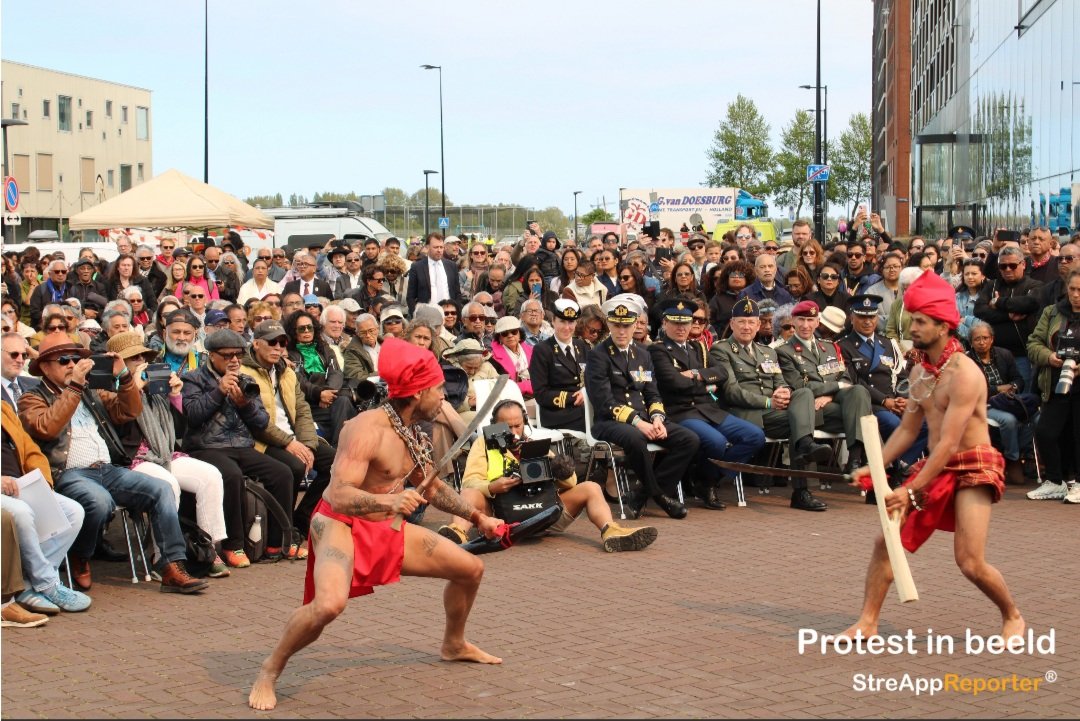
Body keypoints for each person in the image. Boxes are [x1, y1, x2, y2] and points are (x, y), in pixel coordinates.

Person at [247, 338, 506, 711]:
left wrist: (478, 517)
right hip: (340, 525)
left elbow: (430, 486)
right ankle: (270, 669)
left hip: (386, 527)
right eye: (437, 390)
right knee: (328, 606)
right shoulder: (365, 428)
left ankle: (454, 644)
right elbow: (338, 494)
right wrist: (390, 500)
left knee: (470, 569)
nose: (443, 398)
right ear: (417, 393)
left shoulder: (412, 428)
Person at [841, 269, 1023, 643]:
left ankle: (1013, 616)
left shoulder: (966, 374)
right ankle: (868, 623)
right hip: (937, 465)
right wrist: (870, 468)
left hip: (973, 463)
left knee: (970, 562)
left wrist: (909, 490)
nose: (913, 327)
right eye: (913, 319)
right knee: (885, 542)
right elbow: (908, 431)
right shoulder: (922, 371)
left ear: (943, 326)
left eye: (921, 321)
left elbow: (948, 443)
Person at [18, 332, 208, 594]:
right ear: (45, 367)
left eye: (76, 358)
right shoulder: (32, 397)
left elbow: (128, 411)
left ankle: (171, 567)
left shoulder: (90, 391)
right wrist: (73, 388)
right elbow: (46, 428)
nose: (72, 365)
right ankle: (80, 554)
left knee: (162, 488)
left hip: (106, 468)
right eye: (64, 360)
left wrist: (126, 377)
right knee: (98, 502)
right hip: (68, 474)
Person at [439, 399, 657, 551]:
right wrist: (492, 487)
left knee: (590, 487)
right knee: (468, 493)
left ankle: (611, 532)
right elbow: (469, 482)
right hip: (500, 518)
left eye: (518, 425)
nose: (514, 431)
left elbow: (571, 483)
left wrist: (559, 467)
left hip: (543, 515)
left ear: (524, 421)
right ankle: (457, 533)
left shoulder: (535, 445)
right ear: (495, 425)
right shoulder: (483, 444)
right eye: (507, 426)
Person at [105, 331, 230, 578]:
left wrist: (174, 396)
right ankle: (164, 558)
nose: (141, 361)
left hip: (163, 453)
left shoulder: (156, 387)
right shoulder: (108, 390)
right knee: (168, 484)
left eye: (143, 355)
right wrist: (134, 388)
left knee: (210, 475)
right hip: (132, 460)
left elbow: (178, 433)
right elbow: (118, 425)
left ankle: (207, 549)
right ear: (118, 363)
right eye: (133, 358)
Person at [180, 329, 297, 566]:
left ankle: (277, 543)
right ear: (212, 355)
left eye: (238, 355)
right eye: (228, 355)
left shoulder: (247, 379)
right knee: (230, 475)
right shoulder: (193, 379)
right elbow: (191, 416)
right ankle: (234, 545)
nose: (234, 360)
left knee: (282, 473)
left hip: (242, 446)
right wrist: (218, 391)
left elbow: (262, 422)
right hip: (206, 447)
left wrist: (244, 405)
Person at [710, 298, 832, 511]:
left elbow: (780, 382)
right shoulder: (721, 350)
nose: (747, 327)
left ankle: (801, 487)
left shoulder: (768, 352)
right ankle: (802, 483)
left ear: (759, 325)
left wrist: (784, 392)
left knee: (802, 395)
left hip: (773, 412)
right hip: (746, 415)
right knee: (800, 424)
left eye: (751, 322)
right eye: (742, 322)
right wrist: (768, 401)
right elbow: (731, 391)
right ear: (732, 324)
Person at [584, 296, 700, 519]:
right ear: (608, 325)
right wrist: (639, 423)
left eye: (626, 326)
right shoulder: (598, 356)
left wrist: (657, 418)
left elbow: (651, 392)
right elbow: (604, 401)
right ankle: (659, 496)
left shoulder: (643, 354)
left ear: (635, 324)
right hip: (610, 422)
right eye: (616, 325)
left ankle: (641, 493)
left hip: (645, 419)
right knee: (636, 439)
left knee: (689, 439)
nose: (621, 331)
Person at [648, 299, 765, 509]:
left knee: (754, 436)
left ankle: (707, 479)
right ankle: (706, 482)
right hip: (681, 412)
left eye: (685, 322)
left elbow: (721, 373)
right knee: (717, 442)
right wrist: (703, 382)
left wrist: (694, 374)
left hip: (708, 410)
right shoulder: (658, 350)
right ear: (665, 324)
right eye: (675, 323)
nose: (681, 328)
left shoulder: (698, 348)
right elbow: (673, 381)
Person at [241, 321, 336, 537]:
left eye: (282, 343)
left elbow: (302, 411)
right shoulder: (244, 372)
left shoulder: (287, 372)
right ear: (256, 343)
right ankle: (283, 528)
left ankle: (301, 517)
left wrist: (309, 445)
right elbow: (256, 421)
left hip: (293, 437)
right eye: (272, 342)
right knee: (293, 466)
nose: (278, 347)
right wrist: (289, 443)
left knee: (335, 463)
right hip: (261, 440)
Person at [1, 400, 90, 614]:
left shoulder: (3, 408)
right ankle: (48, 584)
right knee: (21, 512)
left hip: (18, 485)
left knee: (73, 512)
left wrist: (42, 483)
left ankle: (29, 586)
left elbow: (29, 448)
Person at [775, 301, 873, 474]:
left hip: (830, 402)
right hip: (810, 408)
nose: (806, 325)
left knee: (859, 391)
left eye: (810, 320)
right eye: (801, 319)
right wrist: (835, 387)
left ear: (817, 322)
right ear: (794, 321)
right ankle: (873, 465)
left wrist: (829, 396)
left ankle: (854, 459)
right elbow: (799, 385)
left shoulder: (829, 347)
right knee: (865, 417)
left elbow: (845, 378)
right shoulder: (784, 351)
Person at [1025, 269, 1080, 503]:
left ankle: (1077, 482)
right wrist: (1049, 357)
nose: (1076, 294)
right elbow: (1033, 343)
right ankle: (1056, 482)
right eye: (1073, 289)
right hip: (1056, 382)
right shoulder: (1052, 311)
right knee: (1045, 431)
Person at [965, 322, 1032, 486]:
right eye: (977, 339)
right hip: (983, 404)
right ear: (971, 342)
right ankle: (1012, 458)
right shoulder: (967, 360)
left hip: (1008, 401)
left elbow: (1018, 379)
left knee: (1035, 417)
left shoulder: (1004, 355)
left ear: (992, 339)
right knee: (1008, 420)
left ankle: (1023, 454)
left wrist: (1013, 387)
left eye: (985, 338)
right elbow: (971, 389)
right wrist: (997, 389)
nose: (982, 342)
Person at [284, 310, 358, 447]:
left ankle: (339, 448)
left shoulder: (324, 348)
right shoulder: (289, 354)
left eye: (309, 327)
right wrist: (319, 394)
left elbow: (336, 372)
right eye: (301, 328)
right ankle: (340, 449)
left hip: (330, 399)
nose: (307, 331)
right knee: (344, 403)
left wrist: (327, 392)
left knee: (343, 401)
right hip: (309, 403)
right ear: (293, 331)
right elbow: (298, 381)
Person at [529, 299, 591, 433]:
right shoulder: (542, 350)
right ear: (553, 321)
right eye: (562, 321)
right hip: (557, 414)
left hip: (584, 409)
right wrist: (575, 398)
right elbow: (541, 394)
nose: (567, 327)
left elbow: (592, 379)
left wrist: (586, 393)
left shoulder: (582, 346)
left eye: (571, 322)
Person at [405, 233, 461, 314]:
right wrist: (416, 315)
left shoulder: (452, 266)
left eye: (441, 247)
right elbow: (410, 296)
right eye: (435, 247)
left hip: (449, 315)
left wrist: (457, 311)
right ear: (427, 247)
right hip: (426, 315)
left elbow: (457, 293)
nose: (439, 250)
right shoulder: (417, 267)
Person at [488, 316, 533, 398]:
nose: (510, 336)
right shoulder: (493, 358)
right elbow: (504, 388)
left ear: (519, 333)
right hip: (511, 398)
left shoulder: (531, 350)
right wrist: (527, 385)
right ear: (499, 337)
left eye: (514, 332)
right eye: (505, 333)